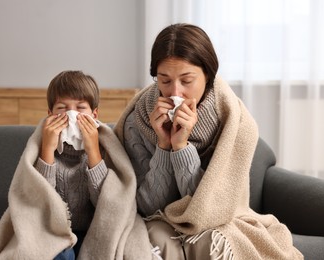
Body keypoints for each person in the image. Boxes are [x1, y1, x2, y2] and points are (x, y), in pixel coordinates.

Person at [114, 23, 303, 259]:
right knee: (154, 236)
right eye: (164, 80)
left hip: (216, 218)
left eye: (186, 80)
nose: (175, 92)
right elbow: (149, 208)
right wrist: (163, 145)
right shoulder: (138, 120)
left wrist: (181, 147)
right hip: (158, 221)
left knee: (212, 240)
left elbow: (209, 210)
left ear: (208, 75)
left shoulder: (233, 120)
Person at [34, 70, 109, 259]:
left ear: (94, 114)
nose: (71, 114)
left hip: (91, 231)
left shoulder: (105, 148)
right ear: (50, 113)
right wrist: (48, 150)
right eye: (62, 107)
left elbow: (107, 204)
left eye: (80, 107)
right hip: (52, 232)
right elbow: (40, 202)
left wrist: (93, 151)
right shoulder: (40, 148)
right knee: (62, 254)